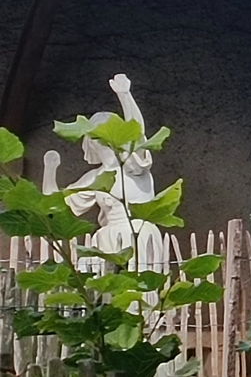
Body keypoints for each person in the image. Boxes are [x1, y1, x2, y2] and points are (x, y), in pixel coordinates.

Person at [41, 74, 168, 275]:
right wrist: (49, 170)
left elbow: (136, 133)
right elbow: (54, 209)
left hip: (137, 234)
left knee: (138, 292)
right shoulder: (94, 178)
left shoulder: (133, 165)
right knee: (110, 293)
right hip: (107, 239)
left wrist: (125, 95)